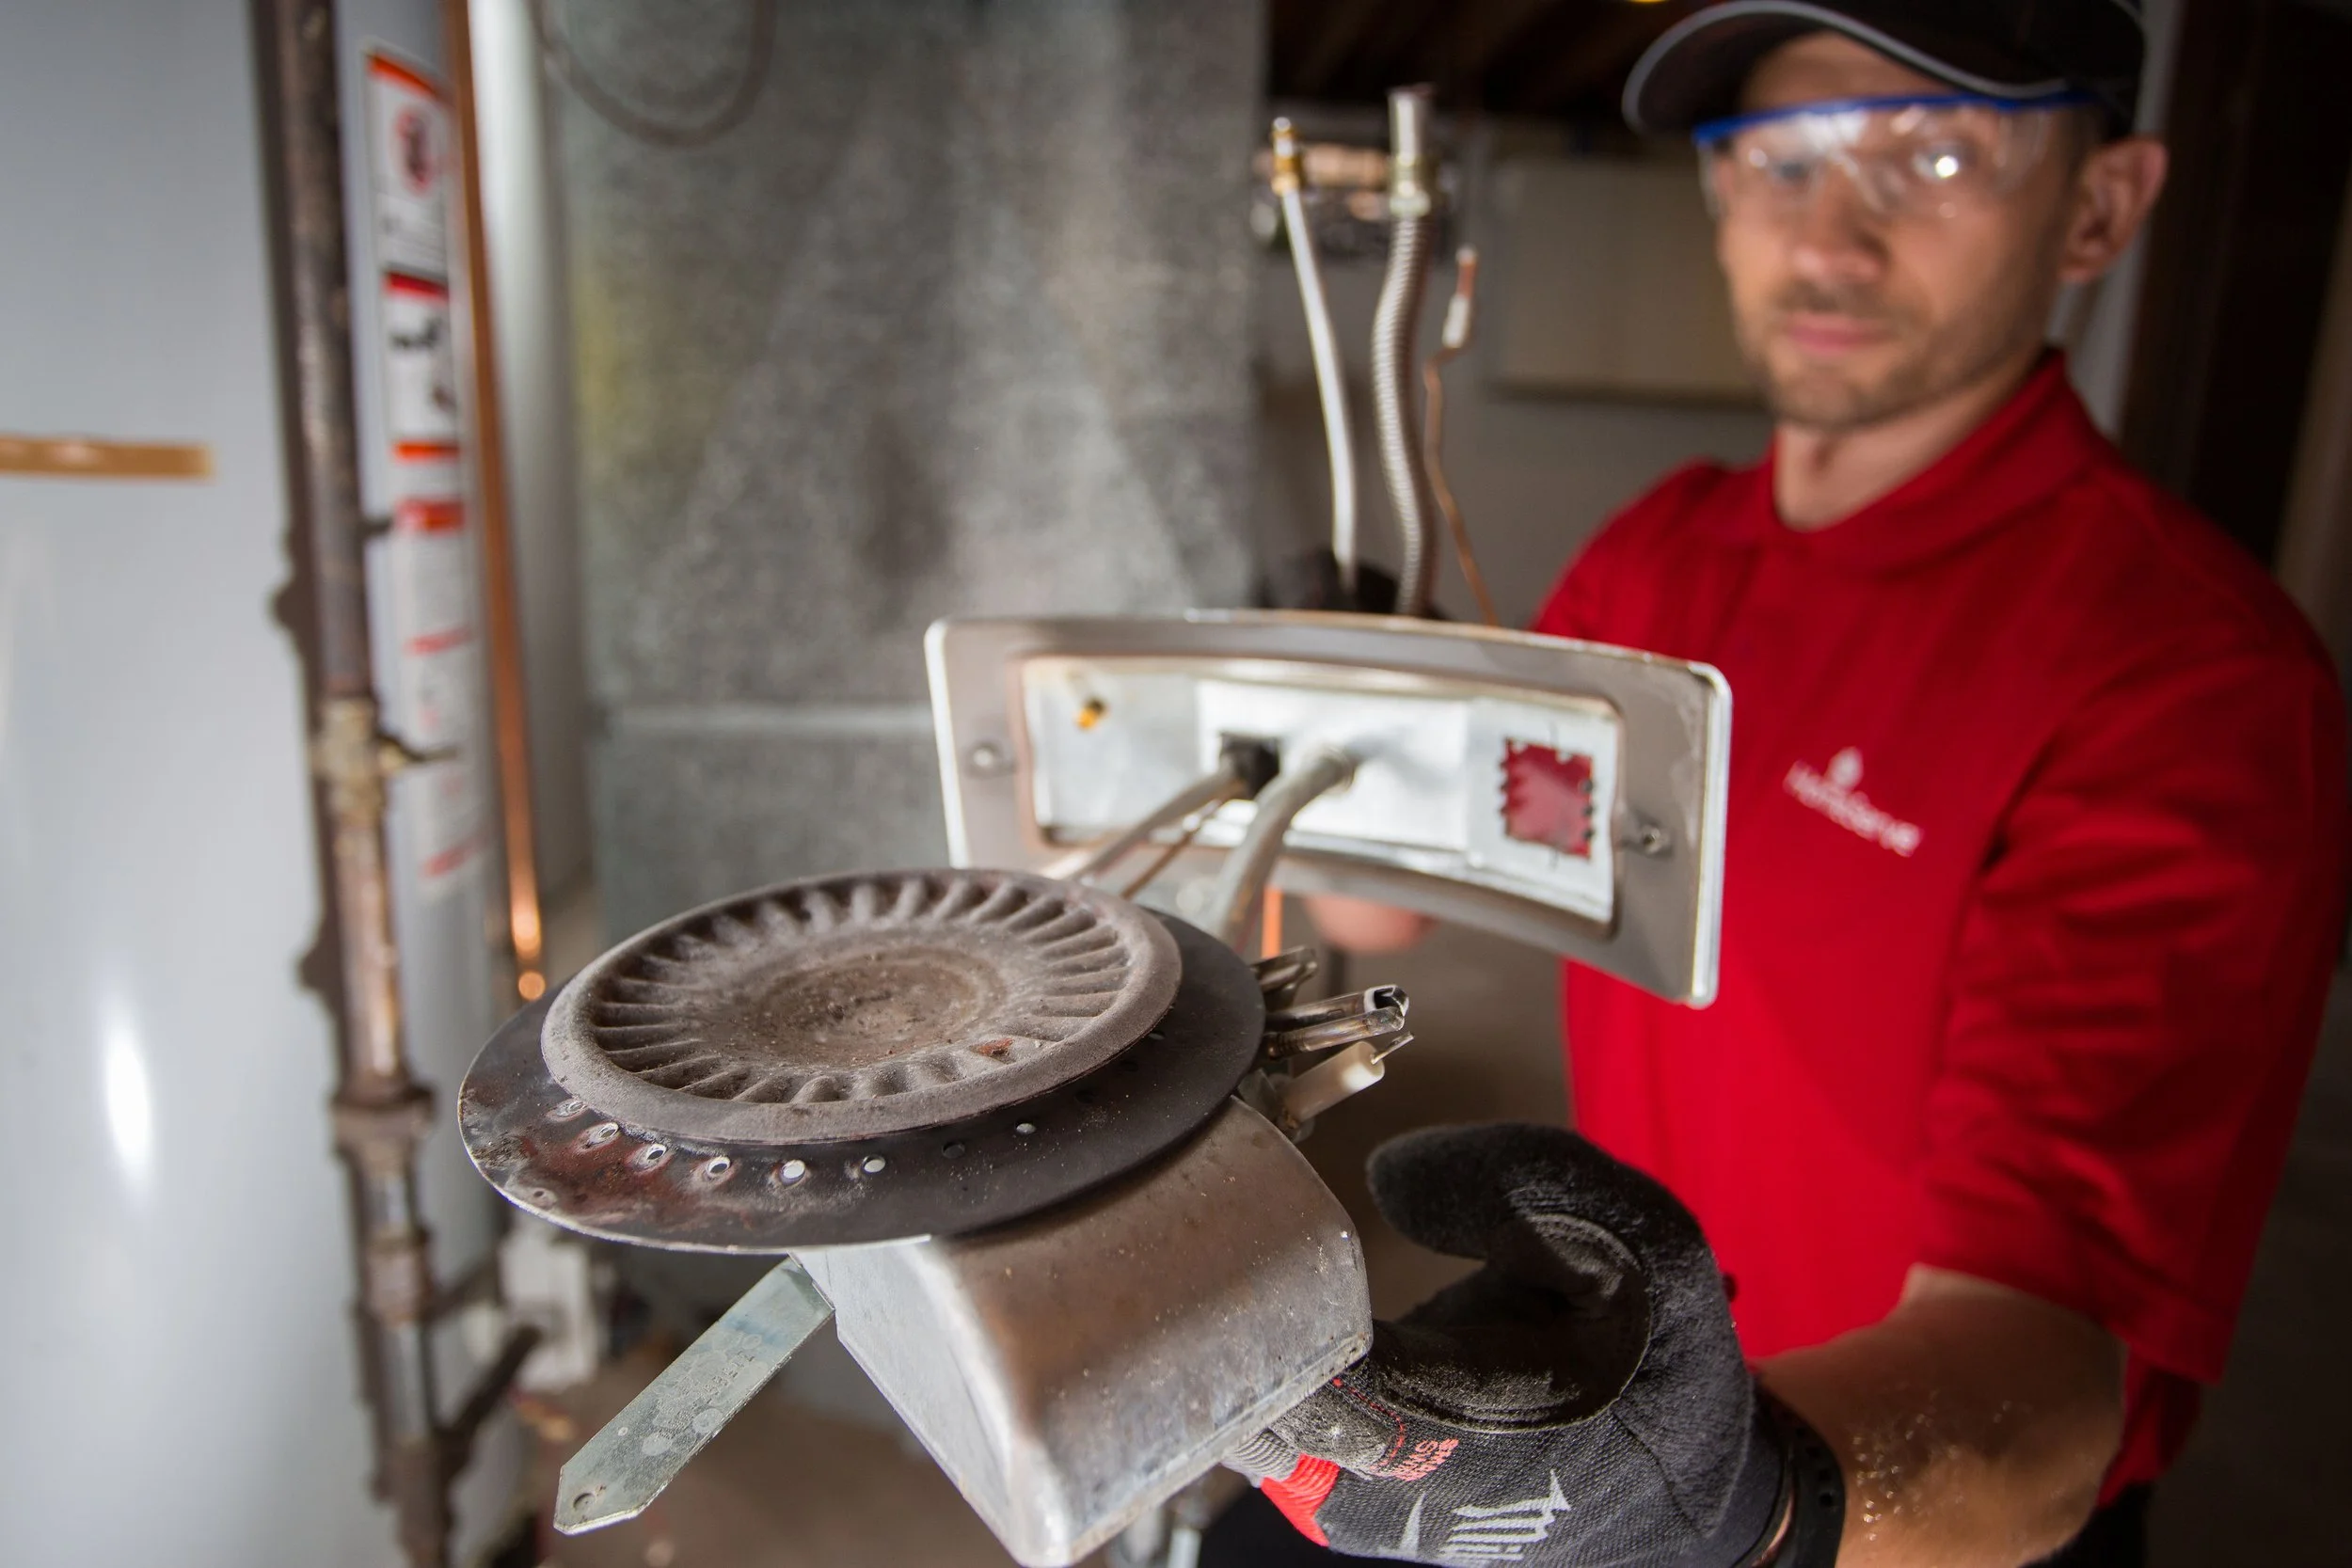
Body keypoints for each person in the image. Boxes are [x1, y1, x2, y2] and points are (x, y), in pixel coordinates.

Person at [1210, 3, 2350, 1566]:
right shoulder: (1657, 560)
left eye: (1939, 153)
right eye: (1775, 158)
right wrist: (1344, 724)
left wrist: (1732, 1493)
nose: (1836, 235)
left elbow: (2051, 1392)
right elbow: (1378, 906)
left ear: (2102, 208)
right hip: (1630, 1384)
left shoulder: (2183, 675)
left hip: (1880, 1498)